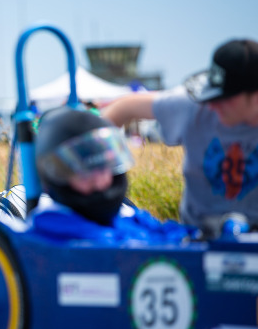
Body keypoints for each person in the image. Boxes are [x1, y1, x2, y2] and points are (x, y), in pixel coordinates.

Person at [103, 39, 258, 237]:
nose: (212, 105)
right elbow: (122, 108)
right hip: (198, 240)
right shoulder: (194, 105)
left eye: (225, 97)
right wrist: (104, 166)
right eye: (212, 94)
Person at [24, 107, 196, 244]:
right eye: (84, 174)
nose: (99, 181)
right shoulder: (54, 224)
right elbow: (116, 246)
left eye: (103, 167)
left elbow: (168, 232)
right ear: (57, 175)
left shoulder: (124, 215)